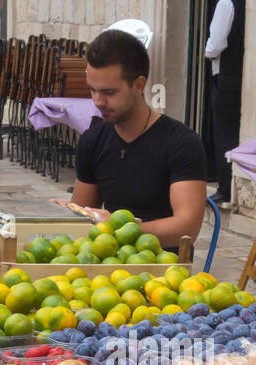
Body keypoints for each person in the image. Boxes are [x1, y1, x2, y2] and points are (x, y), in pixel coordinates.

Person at [72, 29, 207, 250]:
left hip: (164, 269)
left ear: (139, 84)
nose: (97, 101)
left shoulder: (182, 143)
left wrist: (119, 230)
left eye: (109, 92)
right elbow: (81, 216)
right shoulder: (92, 140)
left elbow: (187, 229)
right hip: (107, 262)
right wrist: (66, 213)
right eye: (92, 90)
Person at [204, 0, 246, 211]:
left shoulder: (227, 2)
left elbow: (217, 42)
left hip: (226, 77)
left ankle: (224, 188)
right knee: (236, 133)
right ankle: (232, 185)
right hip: (243, 76)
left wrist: (207, 52)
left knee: (224, 133)